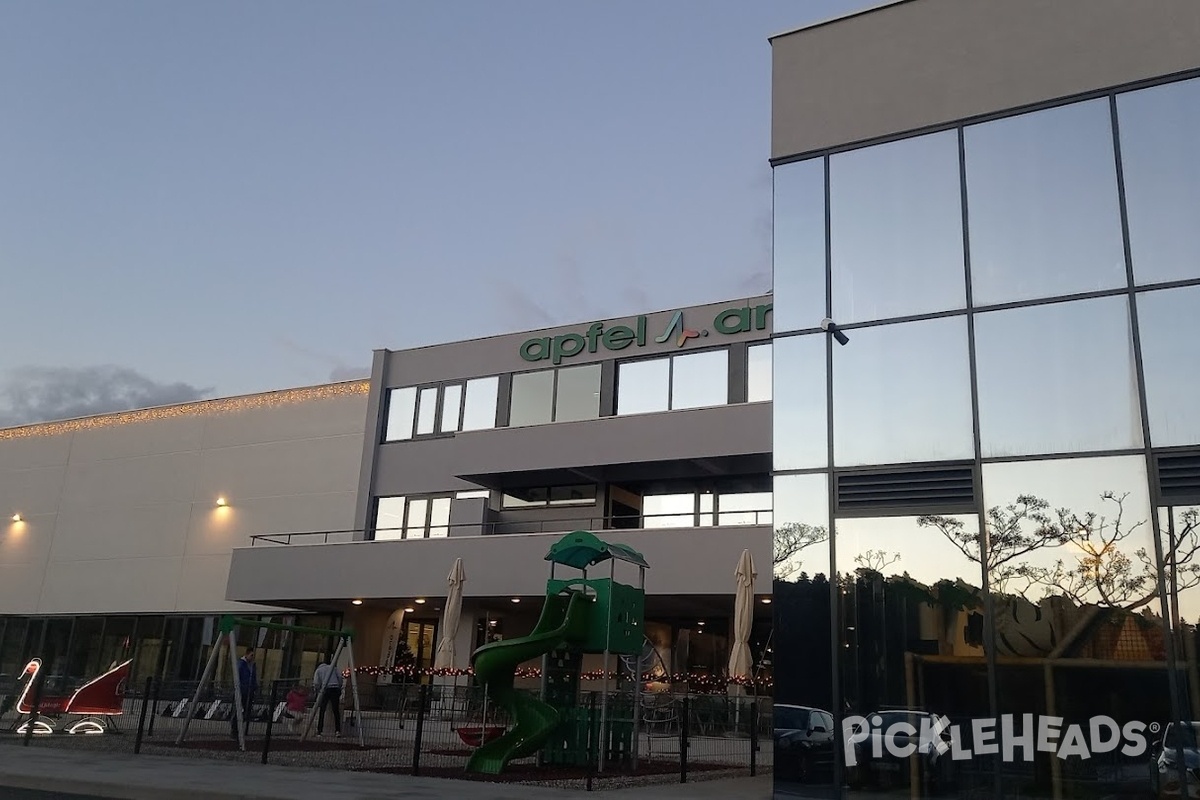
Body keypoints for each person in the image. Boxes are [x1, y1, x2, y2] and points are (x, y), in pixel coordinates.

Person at [230, 648, 258, 739]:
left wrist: (254, 687)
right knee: (238, 710)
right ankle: (234, 730)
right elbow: (238, 677)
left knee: (246, 710)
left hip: (248, 690)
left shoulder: (252, 665)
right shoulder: (241, 664)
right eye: (251, 655)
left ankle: (239, 729)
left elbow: (253, 677)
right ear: (247, 654)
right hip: (242, 690)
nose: (252, 658)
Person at [313, 658, 343, 737]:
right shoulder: (333, 668)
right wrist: (339, 686)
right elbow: (340, 677)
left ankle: (320, 731)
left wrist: (318, 691)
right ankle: (337, 730)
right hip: (335, 688)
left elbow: (316, 683)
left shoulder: (319, 671)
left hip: (325, 689)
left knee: (322, 710)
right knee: (336, 710)